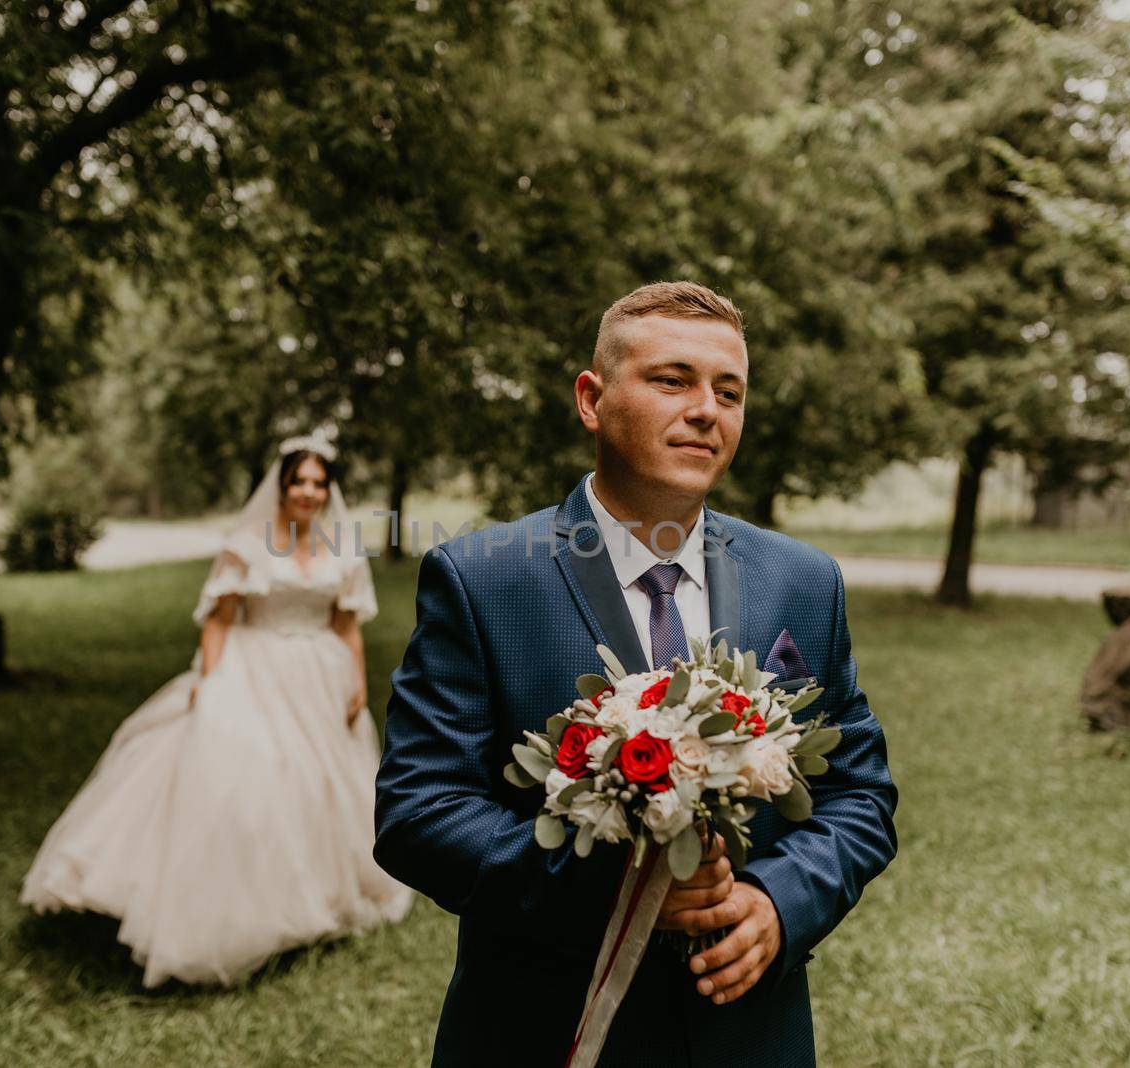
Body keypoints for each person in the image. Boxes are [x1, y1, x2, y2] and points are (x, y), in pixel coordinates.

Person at [375, 281, 897, 1066]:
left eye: (729, 391)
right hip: (544, 1027)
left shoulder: (801, 581)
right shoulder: (484, 579)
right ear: (592, 399)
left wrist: (779, 904)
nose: (706, 410)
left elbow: (860, 794)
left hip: (746, 1032)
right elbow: (419, 810)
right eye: (672, 380)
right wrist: (614, 891)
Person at [21, 436, 411, 987]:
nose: (309, 491)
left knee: (317, 786)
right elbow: (219, 619)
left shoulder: (341, 545)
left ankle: (317, 894)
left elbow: (346, 623)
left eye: (319, 482)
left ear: (329, 490)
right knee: (249, 776)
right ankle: (224, 910)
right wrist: (214, 676)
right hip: (253, 667)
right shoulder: (249, 543)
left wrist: (354, 679)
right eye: (299, 480)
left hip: (320, 677)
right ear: (281, 486)